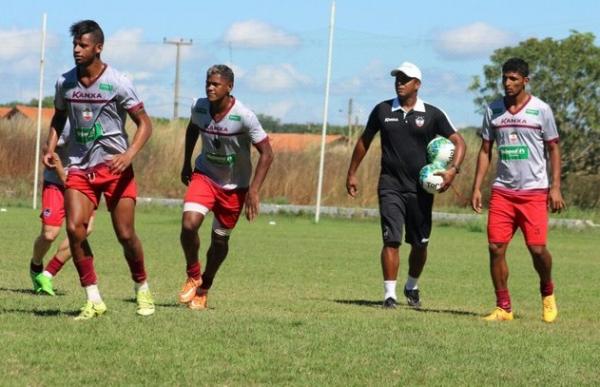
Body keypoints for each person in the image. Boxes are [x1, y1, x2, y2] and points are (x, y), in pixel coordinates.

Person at [42, 20, 155, 320]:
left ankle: (142, 287)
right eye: (75, 45)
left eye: (83, 45)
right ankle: (93, 298)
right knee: (74, 229)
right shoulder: (64, 83)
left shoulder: (118, 82)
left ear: (98, 48)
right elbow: (58, 117)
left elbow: (145, 123)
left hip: (115, 167)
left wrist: (129, 155)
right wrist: (50, 147)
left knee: (126, 235)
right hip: (79, 166)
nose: (77, 50)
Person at [346, 62, 466, 309]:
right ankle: (389, 295)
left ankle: (411, 285)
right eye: (397, 78)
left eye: (405, 79)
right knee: (391, 240)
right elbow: (364, 141)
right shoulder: (382, 110)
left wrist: (452, 170)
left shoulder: (433, 114)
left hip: (422, 189)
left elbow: (459, 142)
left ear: (417, 84)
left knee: (420, 244)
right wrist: (352, 173)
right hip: (389, 185)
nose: (400, 82)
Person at [471, 57, 564, 323]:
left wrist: (555, 187)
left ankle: (547, 291)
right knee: (495, 247)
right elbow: (486, 150)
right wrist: (477, 187)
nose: (507, 83)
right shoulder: (493, 110)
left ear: (526, 80)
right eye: (504, 78)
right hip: (502, 192)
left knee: (537, 250)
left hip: (534, 191)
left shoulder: (541, 110)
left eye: (513, 78)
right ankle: (503, 307)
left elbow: (554, 148)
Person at [178, 64, 274, 310]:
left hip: (235, 186)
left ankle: (205, 286)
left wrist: (253, 190)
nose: (210, 87)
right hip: (205, 176)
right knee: (189, 224)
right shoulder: (198, 107)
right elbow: (192, 130)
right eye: (208, 83)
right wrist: (186, 162)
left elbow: (267, 153)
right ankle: (193, 273)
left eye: (216, 84)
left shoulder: (244, 116)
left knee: (219, 241)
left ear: (229, 87)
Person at [30, 123, 95, 296]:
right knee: (49, 234)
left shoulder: (101, 120)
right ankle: (36, 266)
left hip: (83, 183)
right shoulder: (68, 122)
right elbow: (48, 148)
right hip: (57, 182)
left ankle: (47, 274)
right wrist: (61, 173)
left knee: (85, 229)